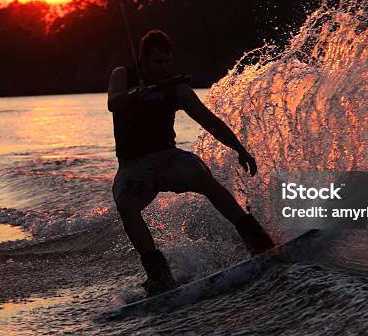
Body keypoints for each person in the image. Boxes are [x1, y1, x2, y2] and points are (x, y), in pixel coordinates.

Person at [108, 30, 275, 296]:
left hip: (168, 159)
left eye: (166, 62)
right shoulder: (123, 76)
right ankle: (158, 274)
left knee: (201, 176)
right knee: (126, 205)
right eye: (156, 62)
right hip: (134, 167)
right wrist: (136, 94)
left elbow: (208, 120)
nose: (163, 68)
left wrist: (240, 149)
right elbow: (113, 103)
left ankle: (255, 237)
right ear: (143, 61)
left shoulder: (176, 88)